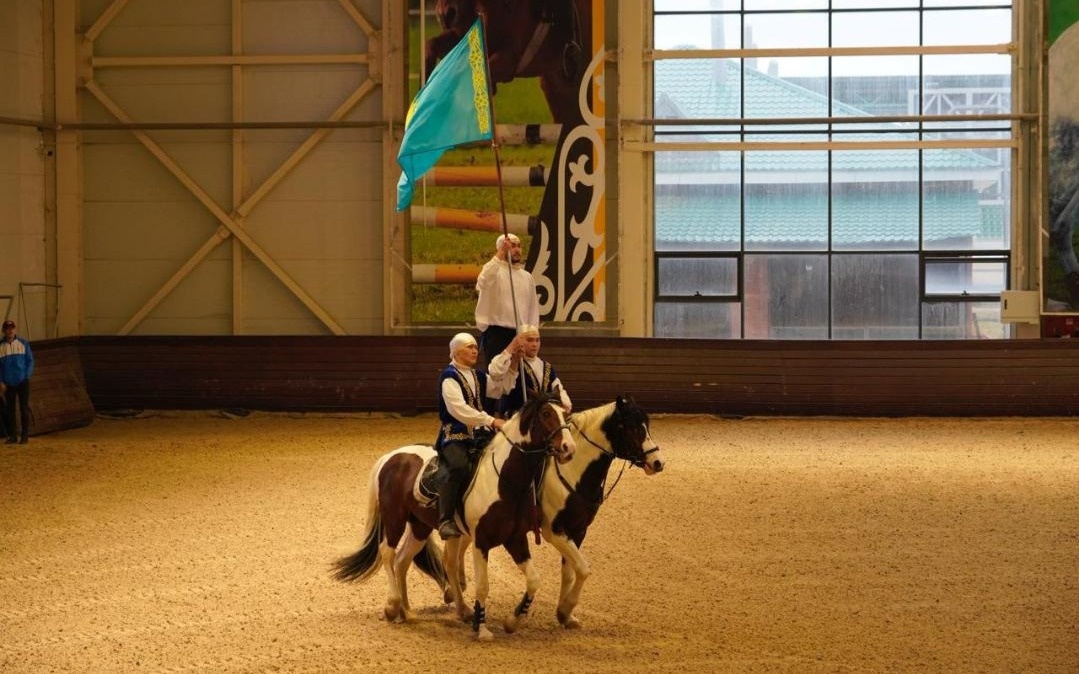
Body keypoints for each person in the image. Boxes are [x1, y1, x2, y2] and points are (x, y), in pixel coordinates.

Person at [434, 332, 513, 539]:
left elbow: (500, 388)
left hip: (479, 434)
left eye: (476, 347)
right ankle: (446, 519)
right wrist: (491, 420)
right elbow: (458, 409)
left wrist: (512, 362)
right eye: (470, 347)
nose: (475, 350)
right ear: (457, 351)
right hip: (456, 434)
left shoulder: (478, 376)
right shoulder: (448, 377)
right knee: (458, 466)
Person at [475, 233, 540, 412]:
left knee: (519, 377)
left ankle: (514, 415)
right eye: (511, 246)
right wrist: (500, 255)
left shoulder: (527, 277)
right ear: (502, 248)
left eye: (519, 245)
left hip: (520, 333)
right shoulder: (494, 271)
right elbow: (482, 282)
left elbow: (532, 308)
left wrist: (531, 335)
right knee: (496, 376)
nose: (517, 249)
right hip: (496, 333)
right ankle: (488, 421)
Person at [487, 324, 572, 419]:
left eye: (537, 340)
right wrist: (511, 347)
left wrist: (565, 404)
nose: (535, 344)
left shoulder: (547, 366)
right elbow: (494, 372)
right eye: (530, 340)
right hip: (515, 418)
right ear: (519, 341)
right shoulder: (511, 361)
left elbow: (558, 388)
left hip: (542, 420)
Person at [0, 320, 34, 444]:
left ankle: (24, 436)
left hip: (22, 381)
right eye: (7, 328)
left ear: (15, 329)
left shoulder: (23, 343)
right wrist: (1, 382)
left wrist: (27, 376)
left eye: (12, 328)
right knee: (10, 410)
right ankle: (13, 436)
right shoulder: (0, 346)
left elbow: (30, 361)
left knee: (24, 408)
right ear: (4, 330)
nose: (10, 330)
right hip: (8, 383)